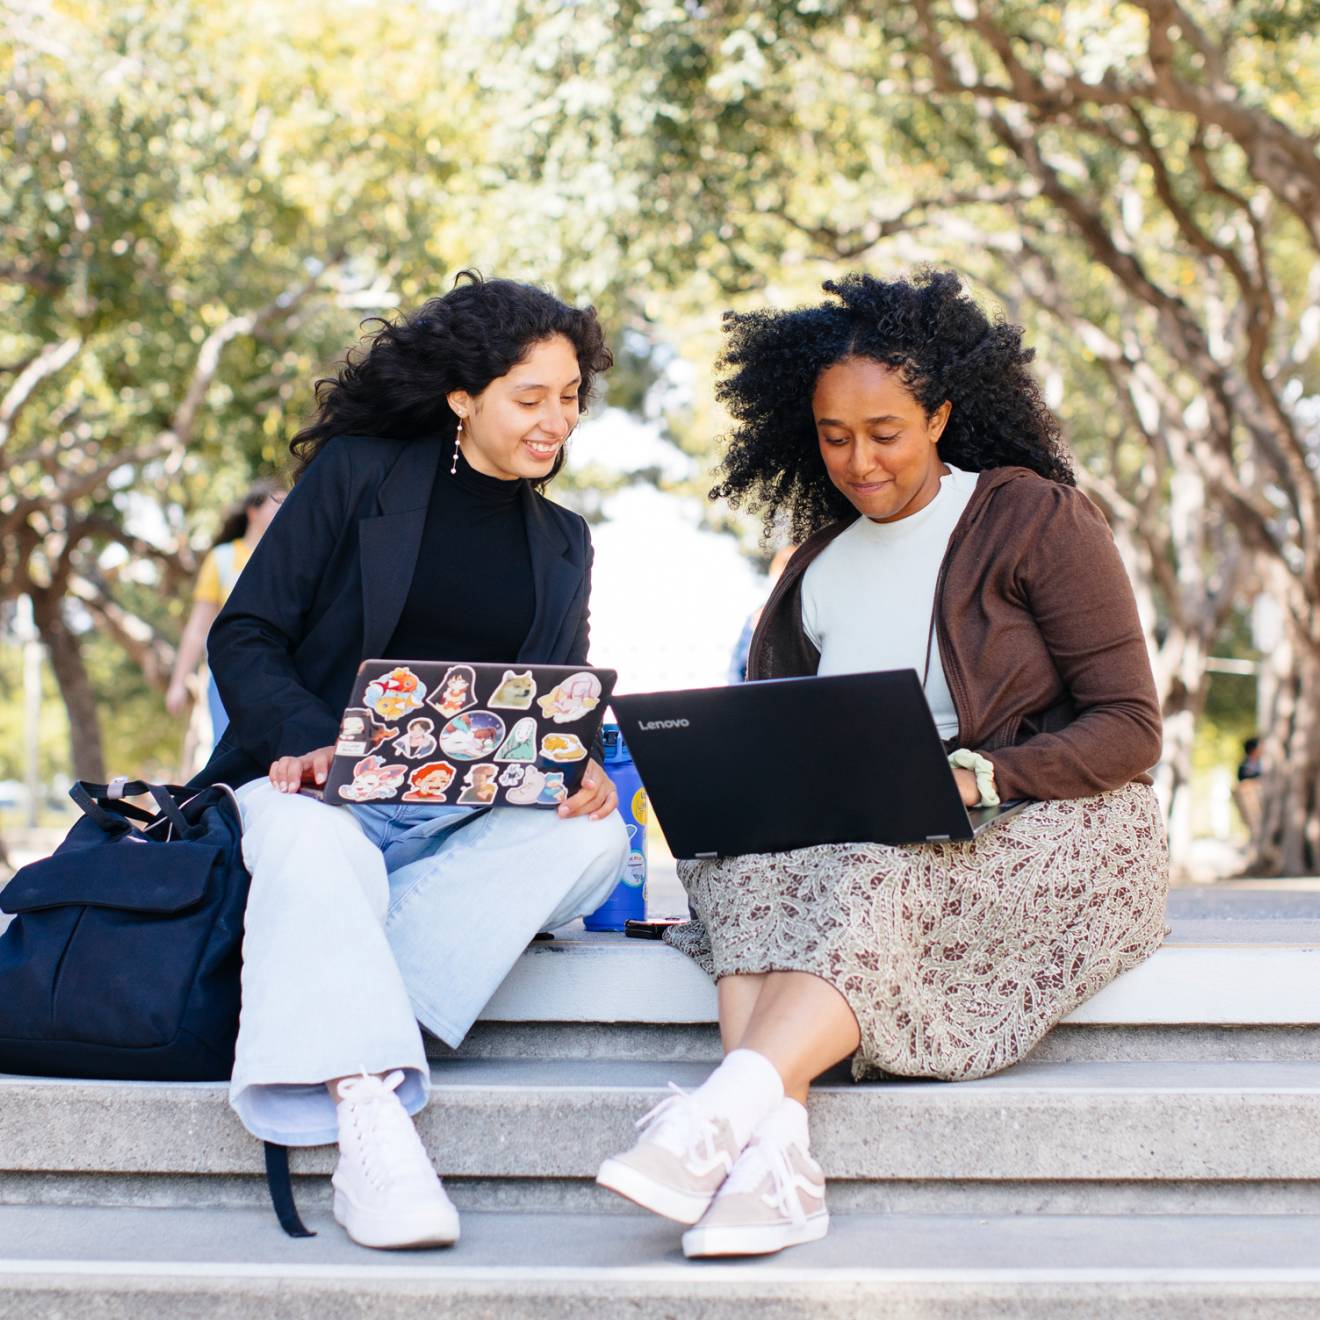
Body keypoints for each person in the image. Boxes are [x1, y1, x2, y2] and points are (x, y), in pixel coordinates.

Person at [597, 271, 1169, 1258]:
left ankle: (718, 1114)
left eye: (885, 432)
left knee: (878, 851)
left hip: (1053, 821)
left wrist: (979, 776)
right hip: (871, 824)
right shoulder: (814, 569)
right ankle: (771, 1164)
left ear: (941, 414)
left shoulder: (1031, 518)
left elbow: (1130, 725)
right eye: (833, 435)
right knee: (740, 856)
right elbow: (784, 735)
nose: (857, 460)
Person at [192, 273, 629, 1250]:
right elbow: (247, 634)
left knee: (597, 846)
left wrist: (579, 766)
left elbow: (549, 703)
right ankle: (369, 1112)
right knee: (313, 850)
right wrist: (308, 740)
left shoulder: (564, 542)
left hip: (456, 818)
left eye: (570, 398)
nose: (556, 420)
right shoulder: (360, 474)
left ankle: (337, 984)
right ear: (464, 397)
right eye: (531, 397)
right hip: (314, 788)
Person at [166, 481, 284, 743]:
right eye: (277, 505)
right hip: (230, 677)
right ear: (253, 512)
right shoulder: (222, 559)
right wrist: (178, 683)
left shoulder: (289, 559)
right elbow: (198, 629)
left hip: (280, 674)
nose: (285, 511)